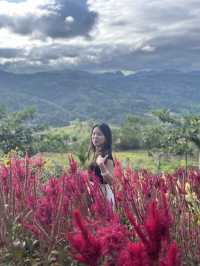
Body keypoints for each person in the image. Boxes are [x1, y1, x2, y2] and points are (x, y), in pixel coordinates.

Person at [88, 123, 115, 207]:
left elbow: (110, 181)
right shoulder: (94, 154)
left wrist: (101, 165)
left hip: (104, 194)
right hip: (93, 193)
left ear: (106, 138)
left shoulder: (107, 156)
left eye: (99, 134)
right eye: (94, 133)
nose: (95, 136)